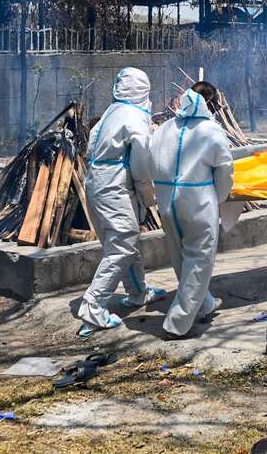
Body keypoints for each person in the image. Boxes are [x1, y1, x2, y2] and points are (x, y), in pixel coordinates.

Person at [131, 82, 234, 337]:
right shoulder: (210, 131)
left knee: (180, 258)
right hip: (198, 204)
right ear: (207, 105)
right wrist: (219, 197)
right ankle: (176, 324)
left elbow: (147, 161)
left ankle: (205, 303)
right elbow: (225, 169)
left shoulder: (165, 129)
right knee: (199, 262)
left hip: (168, 205)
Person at [75, 68, 169, 337]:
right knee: (123, 242)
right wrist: (148, 194)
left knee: (122, 241)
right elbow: (141, 161)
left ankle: (138, 292)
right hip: (114, 183)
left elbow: (92, 145)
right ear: (144, 91)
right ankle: (93, 307)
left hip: (97, 179)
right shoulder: (135, 117)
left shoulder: (112, 111)